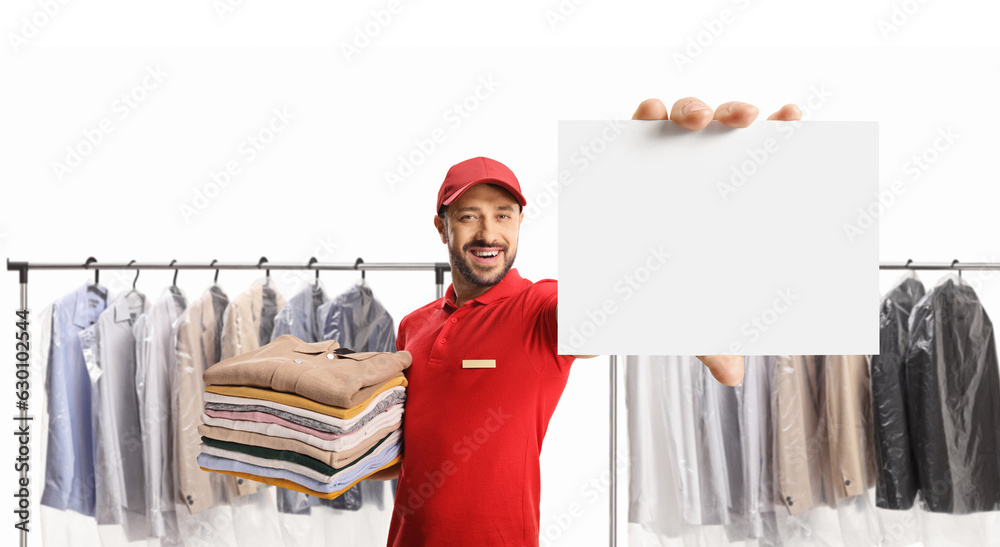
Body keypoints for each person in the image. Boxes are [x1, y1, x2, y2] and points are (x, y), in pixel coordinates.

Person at [370, 97, 804, 546]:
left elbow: (619, 295)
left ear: (520, 222)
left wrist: (690, 188)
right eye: (468, 217)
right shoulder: (412, 326)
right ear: (442, 229)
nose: (488, 233)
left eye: (503, 215)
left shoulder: (538, 310)